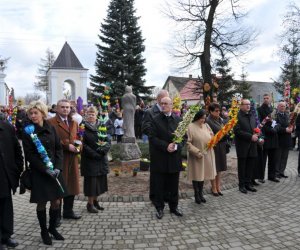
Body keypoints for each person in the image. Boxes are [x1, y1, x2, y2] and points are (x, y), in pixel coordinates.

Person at [22, 101, 66, 245]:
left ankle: (52, 228)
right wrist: (45, 169)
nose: (33, 116)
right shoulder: (28, 131)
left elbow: (58, 149)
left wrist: (58, 167)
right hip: (41, 172)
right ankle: (43, 231)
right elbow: (29, 155)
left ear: (42, 113)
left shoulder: (51, 128)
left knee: (57, 201)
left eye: (36, 113)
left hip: (55, 171)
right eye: (31, 113)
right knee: (41, 202)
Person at [148, 96, 185, 219]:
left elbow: (183, 138)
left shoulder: (179, 120)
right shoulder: (155, 119)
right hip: (160, 159)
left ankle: (174, 207)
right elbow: (152, 138)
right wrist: (166, 146)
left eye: (166, 103)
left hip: (174, 158)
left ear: (171, 105)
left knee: (174, 184)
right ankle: (159, 208)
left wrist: (177, 146)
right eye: (161, 103)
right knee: (159, 185)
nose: (163, 105)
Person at [48, 99, 82, 221]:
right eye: (62, 107)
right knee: (59, 186)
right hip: (59, 159)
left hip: (72, 158)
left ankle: (68, 211)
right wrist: (66, 145)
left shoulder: (74, 122)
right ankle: (56, 215)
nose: (65, 109)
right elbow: (50, 141)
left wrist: (79, 146)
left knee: (71, 185)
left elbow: (78, 137)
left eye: (67, 107)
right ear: (57, 109)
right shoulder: (50, 122)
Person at [80, 107, 110, 213]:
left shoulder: (102, 125)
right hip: (89, 160)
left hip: (101, 159)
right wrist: (94, 154)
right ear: (85, 115)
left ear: (96, 115)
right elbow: (82, 144)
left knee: (99, 182)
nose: (91, 116)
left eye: (93, 114)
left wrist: (103, 150)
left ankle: (96, 202)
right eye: (89, 114)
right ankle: (90, 204)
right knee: (91, 184)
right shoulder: (82, 127)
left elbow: (107, 140)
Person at [142, 89, 169, 201]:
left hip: (168, 147)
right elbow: (145, 128)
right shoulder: (150, 112)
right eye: (164, 100)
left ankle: (165, 195)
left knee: (167, 173)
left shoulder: (168, 111)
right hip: (156, 147)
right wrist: (158, 134)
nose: (166, 103)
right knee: (156, 174)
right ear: (158, 99)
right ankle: (154, 197)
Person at [0, 120, 23, 249]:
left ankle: (6, 235)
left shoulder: (7, 127)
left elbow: (17, 149)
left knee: (6, 207)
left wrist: (17, 169)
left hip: (5, 176)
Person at [187, 109, 217, 204]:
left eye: (204, 118)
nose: (203, 120)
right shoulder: (190, 127)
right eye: (202, 118)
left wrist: (213, 140)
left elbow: (212, 136)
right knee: (197, 175)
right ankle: (196, 194)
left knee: (202, 175)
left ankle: (200, 193)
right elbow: (187, 143)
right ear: (197, 117)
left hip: (207, 154)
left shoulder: (206, 125)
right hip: (197, 155)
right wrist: (197, 152)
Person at [234, 99, 258, 194]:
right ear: (241, 106)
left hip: (252, 145)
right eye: (246, 104)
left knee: (250, 166)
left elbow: (254, 128)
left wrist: (257, 135)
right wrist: (250, 136)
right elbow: (237, 131)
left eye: (249, 104)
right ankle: (242, 185)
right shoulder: (236, 116)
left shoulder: (252, 115)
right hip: (242, 146)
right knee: (242, 166)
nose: (248, 106)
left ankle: (248, 184)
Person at [257, 93, 280, 183]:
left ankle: (272, 176)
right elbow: (259, 124)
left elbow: (278, 122)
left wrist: (276, 129)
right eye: (264, 98)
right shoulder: (259, 110)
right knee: (263, 159)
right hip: (265, 136)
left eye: (267, 98)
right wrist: (270, 130)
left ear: (270, 99)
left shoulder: (273, 109)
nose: (266, 99)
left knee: (273, 159)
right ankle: (261, 177)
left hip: (274, 137)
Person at [206, 103, 227, 196]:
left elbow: (224, 130)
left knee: (220, 168)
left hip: (222, 146)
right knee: (214, 168)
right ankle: (213, 187)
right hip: (214, 146)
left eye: (219, 111)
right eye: (216, 111)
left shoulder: (220, 119)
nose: (218, 112)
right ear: (211, 111)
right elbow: (217, 131)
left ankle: (218, 187)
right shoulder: (208, 121)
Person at [275, 101, 292, 178]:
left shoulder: (287, 115)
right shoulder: (275, 116)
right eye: (281, 106)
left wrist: (292, 128)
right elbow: (276, 128)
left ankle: (282, 171)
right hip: (279, 139)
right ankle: (276, 172)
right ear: (278, 107)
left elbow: (290, 124)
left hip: (287, 140)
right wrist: (285, 130)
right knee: (278, 157)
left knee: (284, 157)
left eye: (284, 106)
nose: (282, 107)